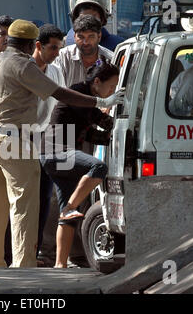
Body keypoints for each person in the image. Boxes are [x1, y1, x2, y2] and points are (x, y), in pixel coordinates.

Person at [0, 19, 125, 268]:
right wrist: (101, 102)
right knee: (23, 207)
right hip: (16, 139)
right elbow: (59, 92)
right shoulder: (22, 64)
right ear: (30, 45)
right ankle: (23, 267)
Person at [40, 58, 119, 268]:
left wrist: (112, 136)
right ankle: (70, 207)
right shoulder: (79, 93)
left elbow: (92, 134)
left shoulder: (87, 99)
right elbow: (98, 119)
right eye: (111, 86)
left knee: (68, 218)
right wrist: (118, 116)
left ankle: (60, 264)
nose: (112, 91)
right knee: (98, 167)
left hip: (56, 155)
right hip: (57, 153)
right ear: (97, 82)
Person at [32, 24, 66, 262]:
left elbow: (60, 104)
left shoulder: (55, 71)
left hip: (47, 140)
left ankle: (35, 251)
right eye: (52, 48)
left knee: (45, 197)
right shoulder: (24, 69)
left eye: (59, 48)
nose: (56, 53)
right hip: (20, 139)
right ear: (38, 46)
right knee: (24, 198)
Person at [54, 14, 113, 89]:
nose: (85, 42)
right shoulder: (62, 57)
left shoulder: (111, 59)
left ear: (99, 36)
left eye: (91, 36)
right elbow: (54, 90)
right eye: (81, 37)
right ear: (74, 37)